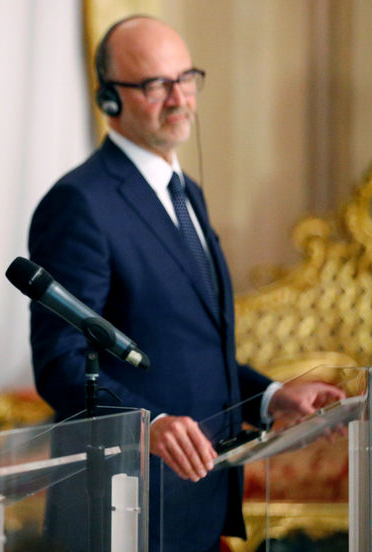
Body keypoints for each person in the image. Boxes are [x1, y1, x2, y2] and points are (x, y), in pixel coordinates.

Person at [27, 16, 344, 552]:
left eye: (186, 78)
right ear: (109, 99)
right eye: (155, 84)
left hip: (201, 500)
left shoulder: (186, 192)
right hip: (124, 510)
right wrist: (145, 425)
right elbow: (62, 363)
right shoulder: (80, 204)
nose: (179, 98)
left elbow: (188, 352)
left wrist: (269, 397)